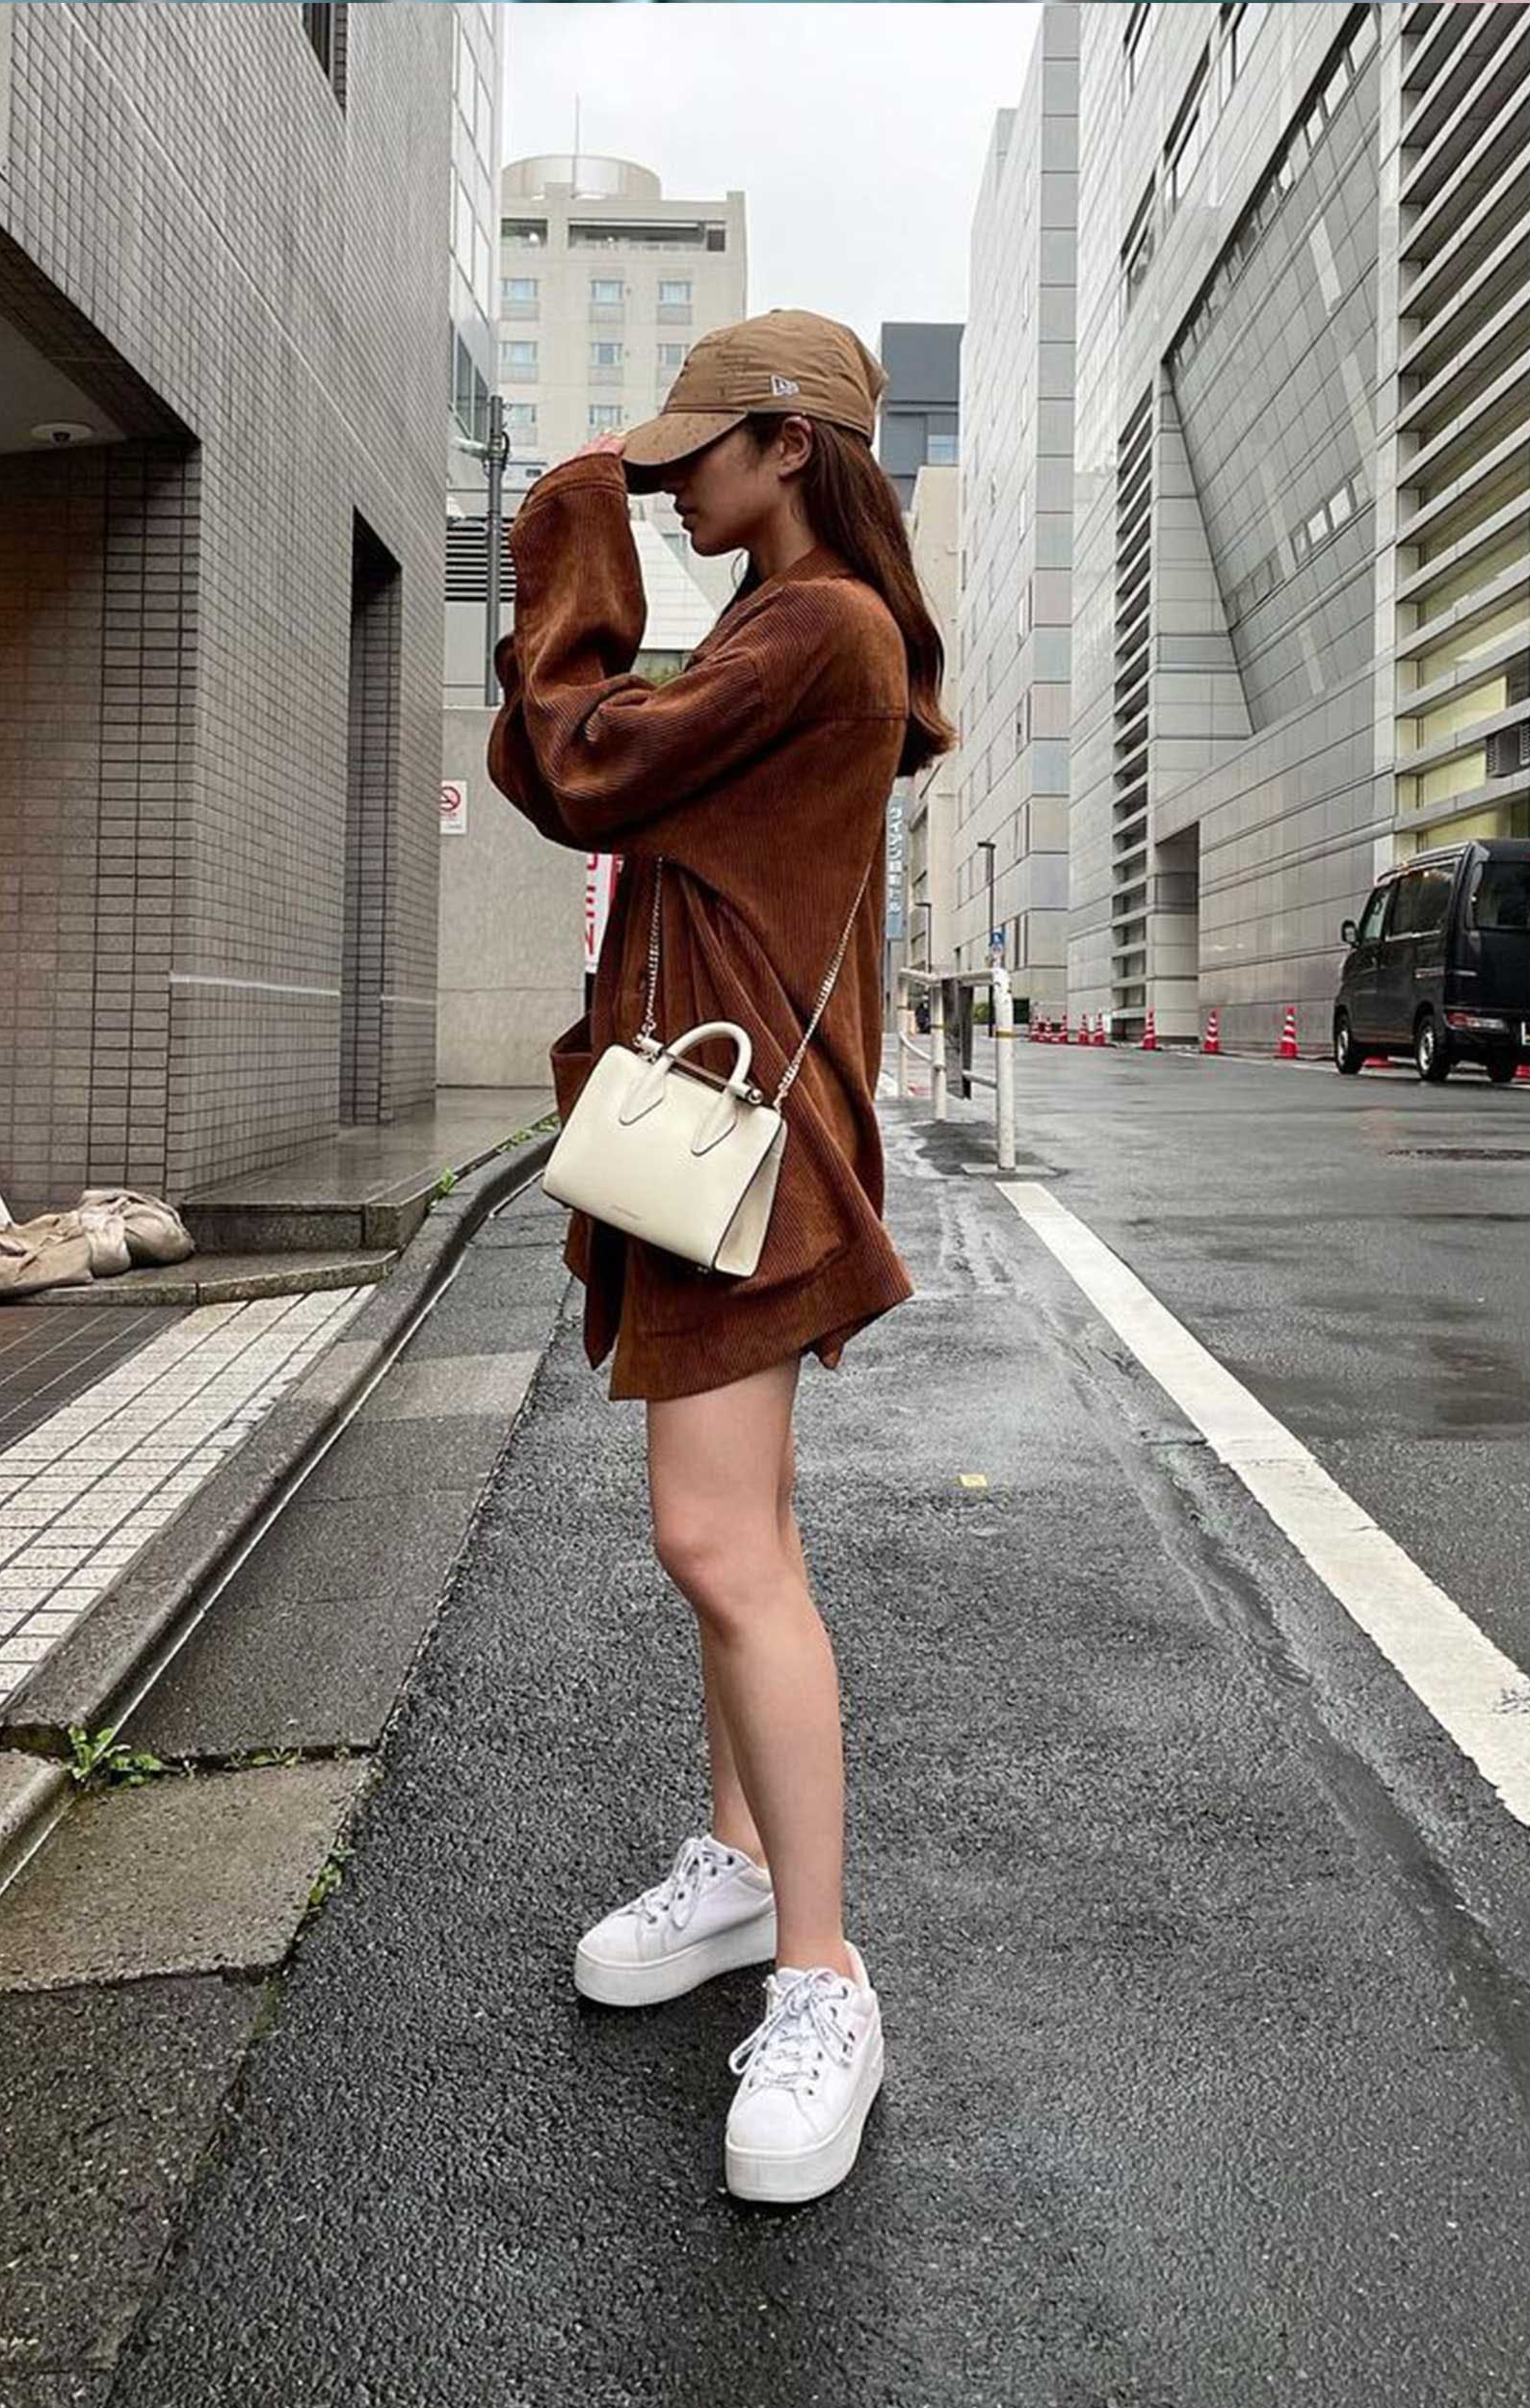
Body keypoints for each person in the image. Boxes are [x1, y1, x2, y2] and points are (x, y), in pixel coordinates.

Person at [488, 309, 954, 2205]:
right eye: (654, 458)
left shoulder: (814, 626)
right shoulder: (787, 629)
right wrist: (606, 533)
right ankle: (746, 1867)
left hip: (738, 1133)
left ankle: (823, 1975)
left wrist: (566, 526)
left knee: (716, 1539)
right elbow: (573, 772)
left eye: (697, 451)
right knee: (734, 1529)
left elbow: (580, 756)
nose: (670, 480)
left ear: (788, 448)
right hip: (717, 1126)